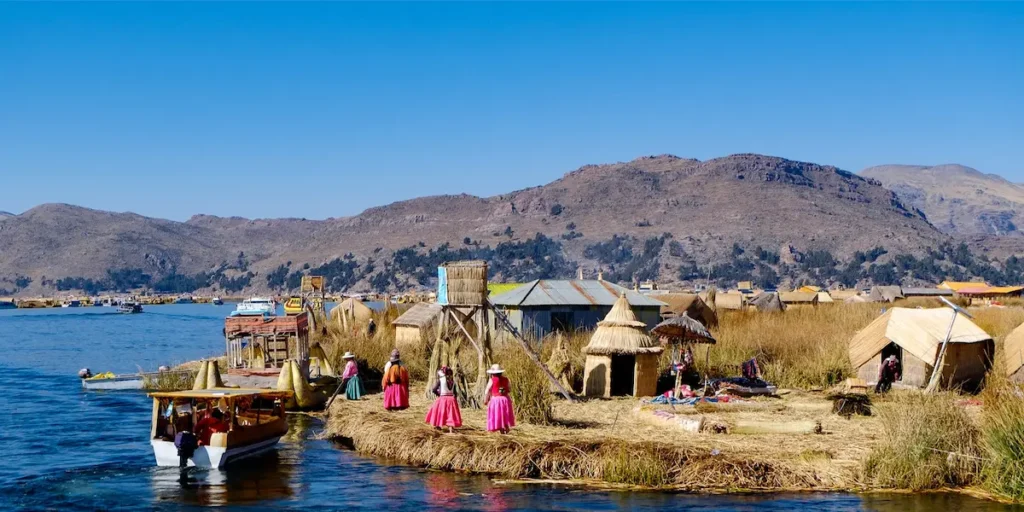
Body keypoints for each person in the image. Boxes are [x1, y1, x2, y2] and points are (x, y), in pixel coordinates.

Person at [425, 366, 462, 432]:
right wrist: (454, 399)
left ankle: (438, 425)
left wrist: (439, 394)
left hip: (443, 398)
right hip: (451, 399)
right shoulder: (452, 381)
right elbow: (455, 392)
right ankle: (451, 428)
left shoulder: (441, 380)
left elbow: (434, 389)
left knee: (440, 411)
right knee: (450, 414)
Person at [483, 364, 515, 434]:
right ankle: (506, 429)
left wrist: (486, 399)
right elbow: (509, 389)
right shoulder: (506, 379)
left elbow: (487, 390)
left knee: (498, 415)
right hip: (505, 399)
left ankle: (502, 431)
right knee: (505, 414)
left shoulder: (492, 380)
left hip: (496, 400)